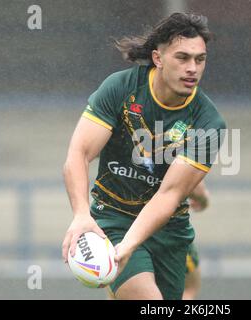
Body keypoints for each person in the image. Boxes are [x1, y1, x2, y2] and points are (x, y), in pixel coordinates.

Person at [62, 12, 226, 300]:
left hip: (170, 229)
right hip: (114, 217)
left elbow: (170, 194)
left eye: (199, 59)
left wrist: (130, 245)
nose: (192, 68)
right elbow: (79, 153)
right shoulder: (121, 88)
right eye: (182, 58)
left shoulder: (208, 122)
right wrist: (81, 214)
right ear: (158, 58)